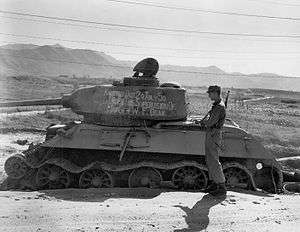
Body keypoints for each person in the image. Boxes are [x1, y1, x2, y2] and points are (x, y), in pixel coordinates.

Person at [201, 85, 227, 197]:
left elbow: (211, 122)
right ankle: (214, 184)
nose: (209, 95)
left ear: (216, 93)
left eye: (210, 93)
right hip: (212, 133)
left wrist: (202, 123)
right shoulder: (217, 105)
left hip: (214, 134)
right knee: (210, 159)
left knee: (214, 160)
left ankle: (221, 186)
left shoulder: (219, 107)